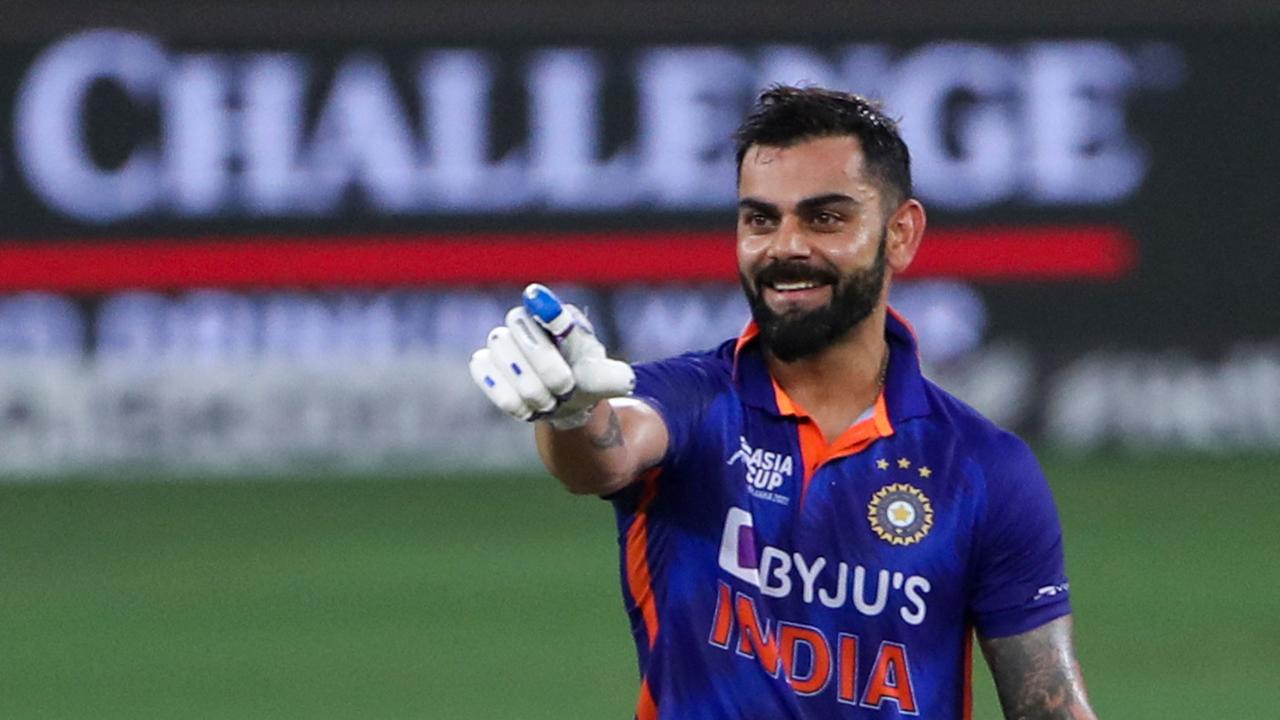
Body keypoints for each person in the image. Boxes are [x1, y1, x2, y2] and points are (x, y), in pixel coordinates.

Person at [469, 85, 1097, 720]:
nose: (786, 246)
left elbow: (1047, 706)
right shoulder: (695, 401)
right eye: (761, 219)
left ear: (900, 234)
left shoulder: (986, 472)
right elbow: (601, 457)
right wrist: (570, 410)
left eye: (825, 218)